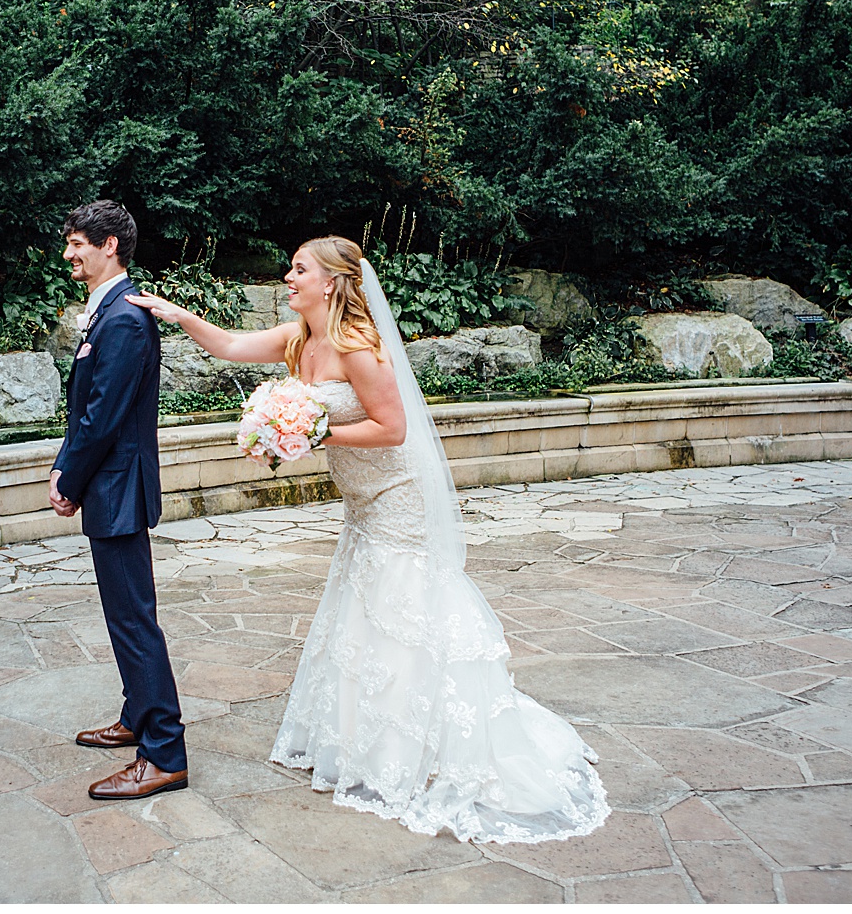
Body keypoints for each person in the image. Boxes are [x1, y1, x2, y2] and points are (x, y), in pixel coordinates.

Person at [126, 235, 610, 844]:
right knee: (364, 611)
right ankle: (369, 740)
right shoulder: (298, 337)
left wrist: (315, 434)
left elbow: (394, 427)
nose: (287, 277)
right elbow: (228, 345)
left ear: (330, 282)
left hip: (395, 499)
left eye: (298, 269)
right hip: (360, 502)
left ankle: (422, 744)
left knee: (404, 610)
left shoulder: (359, 347)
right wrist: (178, 315)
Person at [50, 200, 189, 801]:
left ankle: (164, 753)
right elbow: (90, 408)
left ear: (110, 246)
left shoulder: (126, 319)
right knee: (124, 615)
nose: (68, 253)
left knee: (134, 619)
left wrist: (68, 478)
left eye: (78, 242)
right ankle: (137, 718)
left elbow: (103, 414)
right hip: (108, 482)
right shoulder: (108, 312)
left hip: (117, 485)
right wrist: (67, 466)